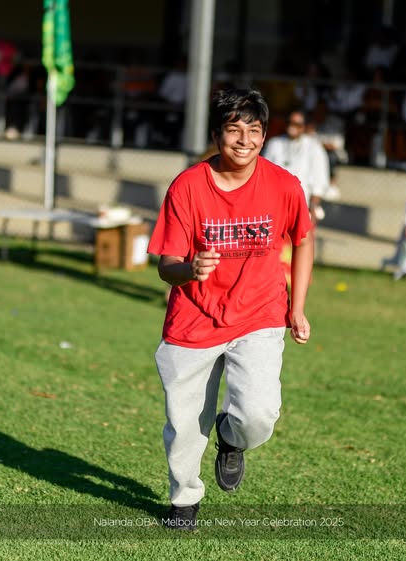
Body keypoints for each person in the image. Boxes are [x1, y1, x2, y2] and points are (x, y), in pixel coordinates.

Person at [148, 89, 314, 531]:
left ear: (265, 136)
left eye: (254, 130)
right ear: (216, 134)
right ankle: (184, 502)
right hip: (193, 319)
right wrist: (190, 269)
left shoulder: (283, 185)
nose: (244, 140)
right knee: (185, 424)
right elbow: (166, 266)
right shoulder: (187, 186)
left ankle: (231, 437)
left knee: (258, 414)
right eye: (234, 129)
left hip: (260, 313)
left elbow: (303, 240)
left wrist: (297, 307)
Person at [263, 109, 330, 222]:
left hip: (301, 208)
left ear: (304, 126)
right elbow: (264, 174)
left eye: (297, 124)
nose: (292, 127)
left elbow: (319, 182)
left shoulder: (314, 147)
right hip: (274, 206)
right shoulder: (274, 143)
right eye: (289, 122)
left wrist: (313, 208)